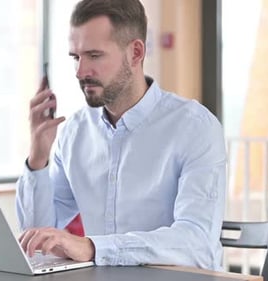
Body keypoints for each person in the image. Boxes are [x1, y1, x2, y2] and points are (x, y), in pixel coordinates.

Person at [16, 0, 226, 271]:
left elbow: (197, 242)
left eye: (94, 55)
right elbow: (37, 237)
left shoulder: (195, 127)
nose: (80, 72)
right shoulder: (74, 132)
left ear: (136, 53)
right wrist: (38, 158)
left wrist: (93, 247)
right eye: (75, 57)